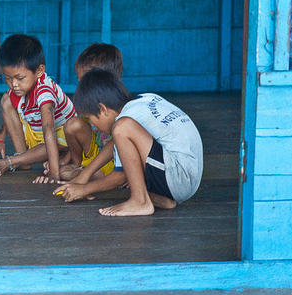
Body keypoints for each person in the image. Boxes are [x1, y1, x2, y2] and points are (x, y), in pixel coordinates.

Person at [55, 68, 203, 216]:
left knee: (121, 127)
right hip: (186, 179)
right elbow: (115, 144)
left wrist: (84, 189)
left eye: (92, 121)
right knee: (122, 130)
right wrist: (84, 175)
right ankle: (161, 199)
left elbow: (121, 176)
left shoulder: (124, 123)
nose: (94, 127)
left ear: (103, 109)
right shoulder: (144, 100)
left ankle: (140, 202)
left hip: (178, 177)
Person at [0, 34, 77, 183]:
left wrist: (53, 175)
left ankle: (14, 161)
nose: (13, 84)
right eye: (8, 79)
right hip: (37, 134)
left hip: (61, 138)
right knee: (6, 100)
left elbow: (49, 130)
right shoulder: (18, 90)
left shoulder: (44, 91)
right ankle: (24, 159)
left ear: (39, 70)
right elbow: (11, 115)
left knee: (51, 142)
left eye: (19, 78)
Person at [38, 43, 123, 183]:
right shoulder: (88, 100)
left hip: (117, 162)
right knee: (73, 125)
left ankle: (89, 173)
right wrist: (66, 161)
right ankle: (78, 165)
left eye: (84, 82)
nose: (81, 87)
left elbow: (116, 145)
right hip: (95, 154)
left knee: (67, 174)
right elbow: (79, 127)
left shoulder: (119, 106)